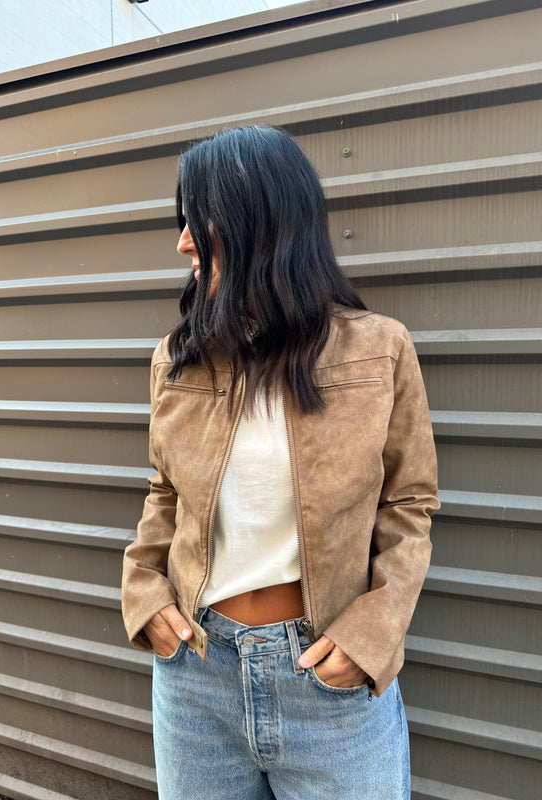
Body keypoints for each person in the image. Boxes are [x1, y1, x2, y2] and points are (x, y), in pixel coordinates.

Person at [121, 125, 439, 799]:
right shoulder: (178, 361)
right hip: (196, 675)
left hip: (329, 681)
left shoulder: (379, 351)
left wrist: (372, 633)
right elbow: (165, 494)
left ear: (258, 221)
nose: (182, 242)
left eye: (196, 220)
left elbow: (409, 504)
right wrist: (144, 594)